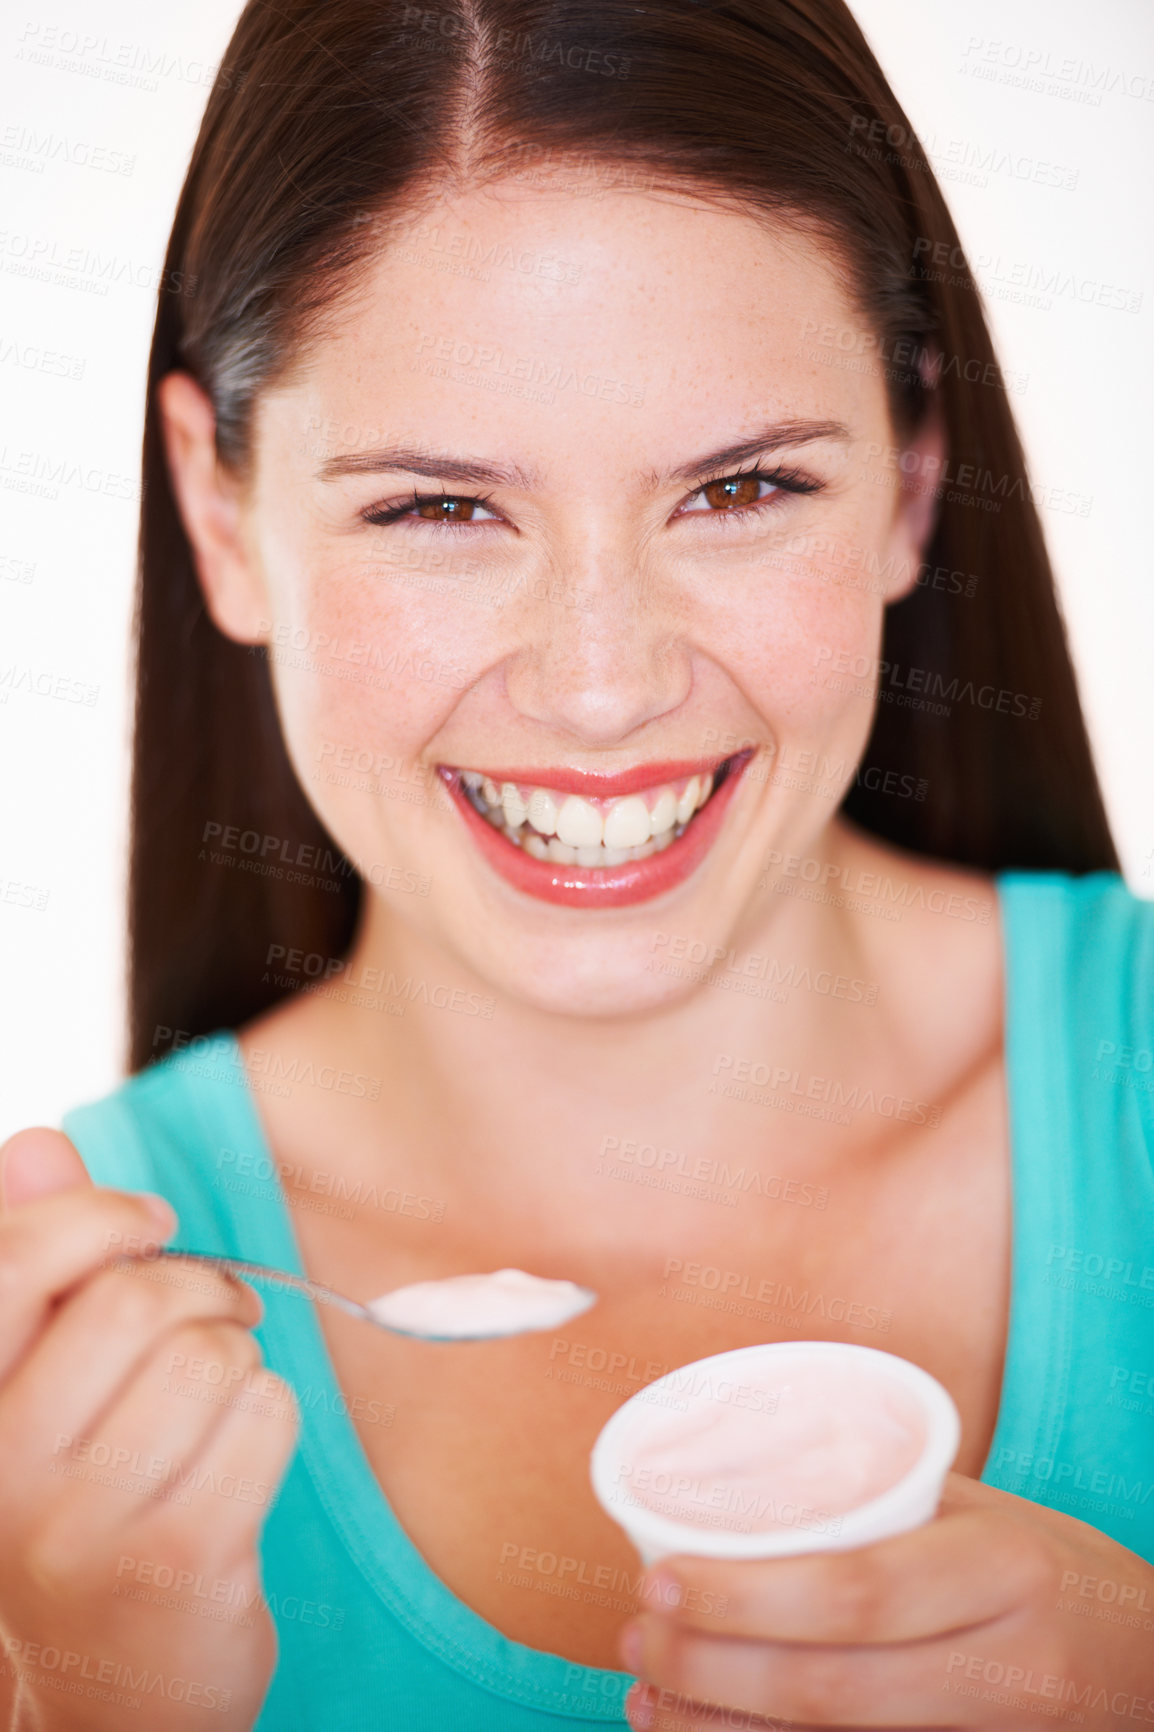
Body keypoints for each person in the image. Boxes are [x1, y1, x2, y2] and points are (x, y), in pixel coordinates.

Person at [1, 0, 1151, 1726]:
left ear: (913, 475)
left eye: (742, 488)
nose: (603, 685)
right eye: (439, 510)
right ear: (220, 513)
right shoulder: (40, 1421)